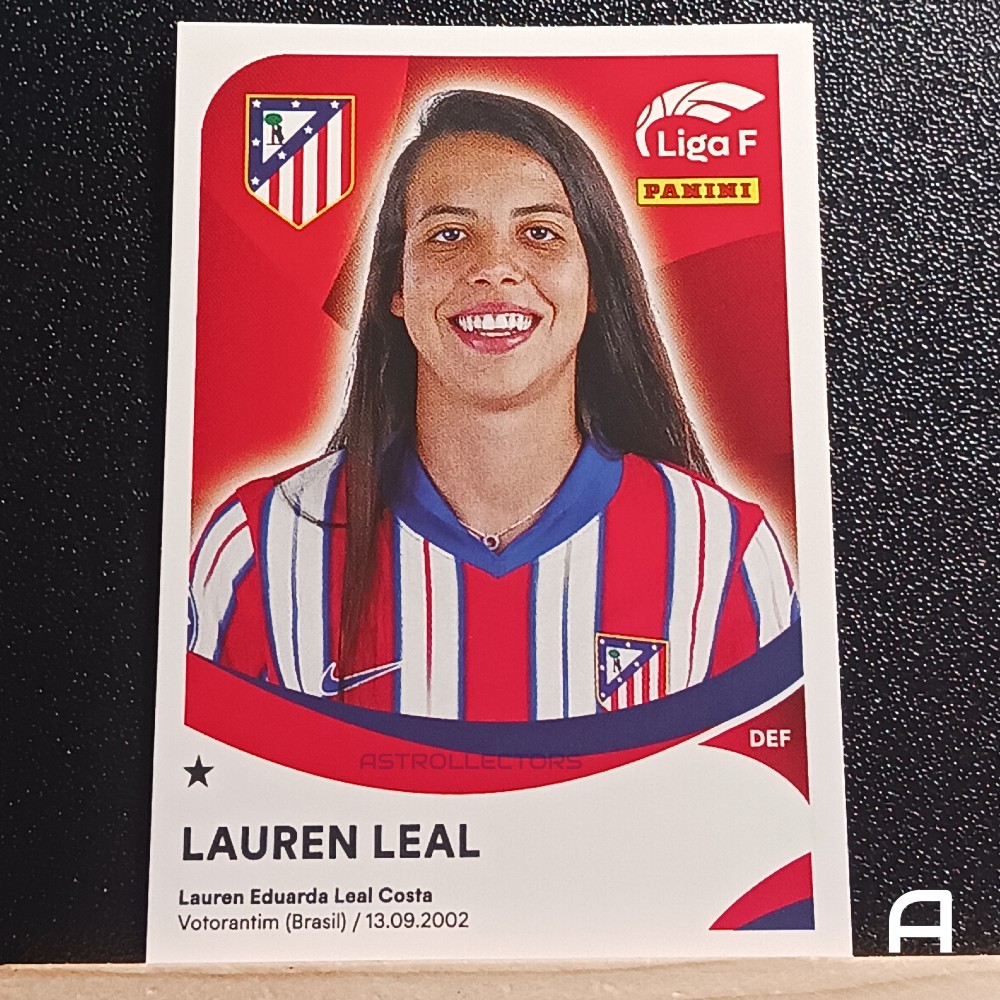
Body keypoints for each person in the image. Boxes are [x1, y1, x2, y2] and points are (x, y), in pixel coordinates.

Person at [188, 90, 798, 723]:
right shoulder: (258, 544)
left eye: (540, 233)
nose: (495, 269)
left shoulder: (724, 551)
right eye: (449, 235)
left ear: (596, 283)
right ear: (396, 287)